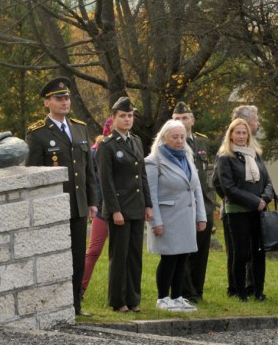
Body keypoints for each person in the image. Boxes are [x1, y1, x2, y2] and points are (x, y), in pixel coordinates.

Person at [25, 76, 98, 316]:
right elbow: (33, 174)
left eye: (66, 97)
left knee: (78, 257)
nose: (64, 102)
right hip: (53, 206)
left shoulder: (79, 128)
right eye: (58, 98)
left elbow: (88, 170)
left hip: (77, 205)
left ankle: (75, 305)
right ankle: (52, 305)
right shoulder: (38, 133)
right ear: (47, 103)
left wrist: (92, 201)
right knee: (54, 256)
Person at [97, 97, 153, 312]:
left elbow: (142, 176)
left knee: (134, 256)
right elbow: (106, 181)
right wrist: (115, 210)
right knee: (119, 256)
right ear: (114, 118)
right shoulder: (107, 145)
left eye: (130, 116)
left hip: (137, 207)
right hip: (119, 208)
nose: (127, 119)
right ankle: (118, 300)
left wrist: (148, 204)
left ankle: (133, 298)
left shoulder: (136, 141)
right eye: (123, 116)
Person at [145, 120, 207, 312]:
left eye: (182, 137)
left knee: (183, 257)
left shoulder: (187, 157)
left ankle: (178, 296)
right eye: (175, 137)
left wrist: (201, 216)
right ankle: (163, 297)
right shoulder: (154, 161)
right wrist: (156, 221)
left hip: (186, 216)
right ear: (164, 138)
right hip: (168, 217)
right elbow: (151, 194)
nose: (180, 141)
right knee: (169, 258)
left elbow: (196, 189)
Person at [214, 118, 273, 302]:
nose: (241, 136)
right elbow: (228, 188)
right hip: (237, 211)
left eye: (244, 132)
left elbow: (268, 182)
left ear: (248, 135)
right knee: (240, 253)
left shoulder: (256, 155)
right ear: (230, 135)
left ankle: (258, 291)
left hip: (259, 211)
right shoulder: (226, 158)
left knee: (258, 252)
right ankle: (240, 292)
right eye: (237, 132)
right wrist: (254, 201)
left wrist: (263, 199)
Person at [171, 102, 214, 303]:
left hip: (203, 203)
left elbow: (205, 175)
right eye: (177, 118)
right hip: (182, 204)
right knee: (183, 250)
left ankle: (197, 290)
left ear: (192, 120)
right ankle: (185, 292)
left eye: (184, 118)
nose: (180, 122)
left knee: (201, 251)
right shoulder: (169, 143)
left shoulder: (202, 142)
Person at [80, 117, 113, 297]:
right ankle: (81, 288)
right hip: (101, 208)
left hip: (122, 209)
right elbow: (93, 181)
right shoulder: (95, 151)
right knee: (93, 251)